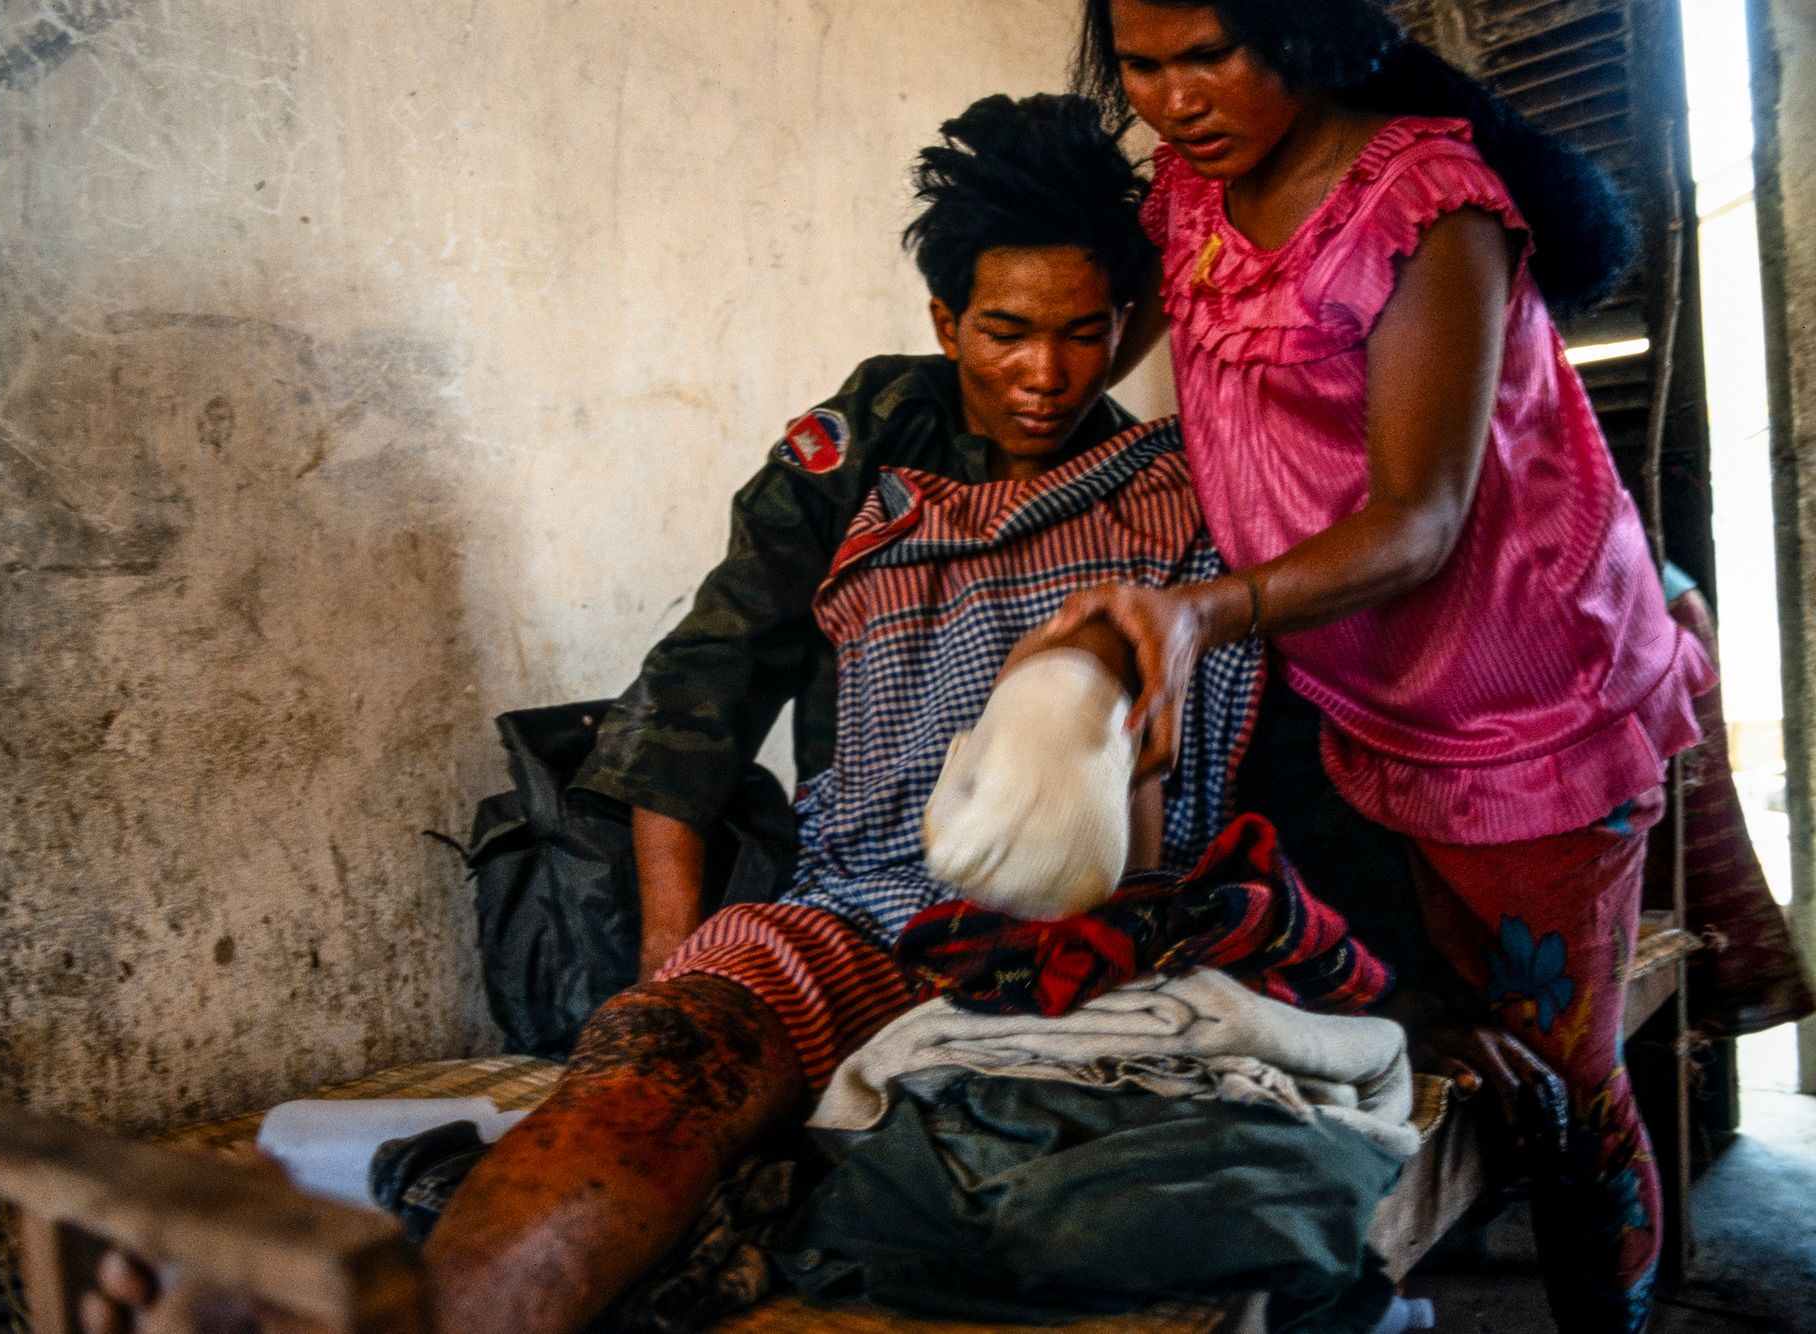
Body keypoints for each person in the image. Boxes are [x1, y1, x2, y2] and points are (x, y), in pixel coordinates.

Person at [83, 92, 1270, 1334]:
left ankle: (688, 1208)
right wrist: (666, 958)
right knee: (663, 1064)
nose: (1044, 374)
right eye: (1005, 332)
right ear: (943, 319)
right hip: (858, 904)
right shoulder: (860, 448)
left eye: (1084, 334)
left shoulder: (1161, 498)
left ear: (1127, 324)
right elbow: (698, 692)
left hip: (1081, 947)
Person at [1037, 4, 1716, 1331]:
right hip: (1354, 690)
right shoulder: (1196, 188)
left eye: (1210, 55)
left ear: (1305, 26)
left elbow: (1420, 520)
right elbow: (1116, 346)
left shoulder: (1423, 209)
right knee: (1457, 1033)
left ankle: (1608, 1313)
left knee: (1571, 1077)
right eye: (1145, 64)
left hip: (1524, 708)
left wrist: (1199, 613)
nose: (1176, 99)